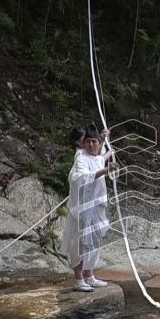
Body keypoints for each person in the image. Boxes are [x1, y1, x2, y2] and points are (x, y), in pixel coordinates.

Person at [60, 123, 119, 292]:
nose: (91, 145)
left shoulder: (96, 156)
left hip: (95, 207)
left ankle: (89, 275)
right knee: (79, 242)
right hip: (81, 209)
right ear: (83, 143)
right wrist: (104, 171)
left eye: (95, 142)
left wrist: (105, 141)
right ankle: (79, 280)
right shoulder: (81, 158)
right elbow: (81, 177)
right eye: (88, 142)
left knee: (93, 241)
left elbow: (100, 157)